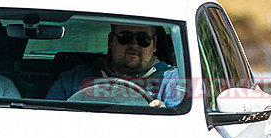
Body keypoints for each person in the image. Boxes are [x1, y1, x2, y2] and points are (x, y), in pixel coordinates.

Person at [45, 24, 184, 107]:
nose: (134, 45)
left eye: (143, 39)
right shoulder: (72, 79)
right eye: (125, 37)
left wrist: (165, 115)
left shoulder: (175, 81)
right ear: (111, 40)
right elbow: (48, 120)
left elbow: (184, 129)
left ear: (154, 45)